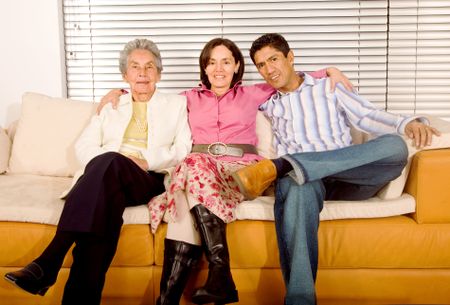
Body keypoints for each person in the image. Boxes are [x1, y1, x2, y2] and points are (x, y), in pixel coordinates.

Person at [99, 38, 353, 305]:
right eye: (211, 62)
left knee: (189, 173)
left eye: (226, 62)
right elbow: (149, 97)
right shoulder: (186, 98)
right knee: (189, 178)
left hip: (240, 171)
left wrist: (328, 72)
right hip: (199, 170)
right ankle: (204, 283)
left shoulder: (253, 93)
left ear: (237, 66)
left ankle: (216, 274)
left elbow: (289, 79)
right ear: (204, 68)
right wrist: (119, 92)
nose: (218, 69)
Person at [231, 33, 441, 305]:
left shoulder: (327, 88)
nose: (269, 69)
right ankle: (300, 300)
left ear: (290, 57)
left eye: (274, 59)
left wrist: (408, 123)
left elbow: (367, 116)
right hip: (306, 183)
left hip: (349, 175)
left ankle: (285, 165)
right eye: (261, 65)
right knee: (295, 184)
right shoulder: (265, 102)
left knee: (394, 146)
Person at [4, 38, 191, 305]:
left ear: (159, 74)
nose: (142, 73)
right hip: (108, 179)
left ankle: (50, 259)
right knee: (102, 217)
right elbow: (84, 147)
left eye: (149, 67)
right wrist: (108, 161)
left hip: (147, 178)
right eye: (135, 67)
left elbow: (183, 148)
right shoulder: (111, 106)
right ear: (125, 74)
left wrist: (146, 161)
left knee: (111, 162)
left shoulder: (176, 104)